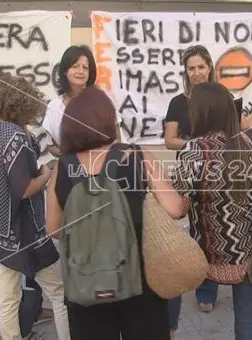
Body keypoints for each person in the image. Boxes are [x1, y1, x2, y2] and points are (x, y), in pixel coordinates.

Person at [46, 86, 189, 340]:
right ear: (109, 121)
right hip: (139, 281)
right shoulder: (138, 156)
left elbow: (54, 228)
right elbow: (175, 209)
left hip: (84, 285)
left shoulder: (63, 167)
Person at [172, 81, 252, 340]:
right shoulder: (250, 143)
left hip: (206, 255)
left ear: (202, 112)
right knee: (247, 323)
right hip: (248, 252)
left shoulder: (193, 150)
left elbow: (178, 208)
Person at [0, 72, 70, 340]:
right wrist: (46, 175)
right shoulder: (14, 135)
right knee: (59, 295)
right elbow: (26, 189)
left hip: (3, 234)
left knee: (7, 300)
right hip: (27, 232)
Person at [164, 46, 218, 335]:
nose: (196, 72)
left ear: (209, 67)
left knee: (220, 227)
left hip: (223, 176)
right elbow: (169, 140)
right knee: (200, 232)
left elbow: (241, 130)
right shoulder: (178, 103)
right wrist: (195, 144)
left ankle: (230, 275)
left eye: (200, 66)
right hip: (192, 175)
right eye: (191, 68)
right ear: (185, 71)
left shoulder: (224, 98)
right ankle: (206, 288)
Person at [42, 45, 123, 159]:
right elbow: (51, 146)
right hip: (72, 170)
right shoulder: (54, 106)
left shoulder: (103, 101)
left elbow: (117, 140)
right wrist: (74, 158)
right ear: (65, 71)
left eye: (85, 67)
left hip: (104, 168)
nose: (80, 71)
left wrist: (96, 158)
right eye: (75, 66)